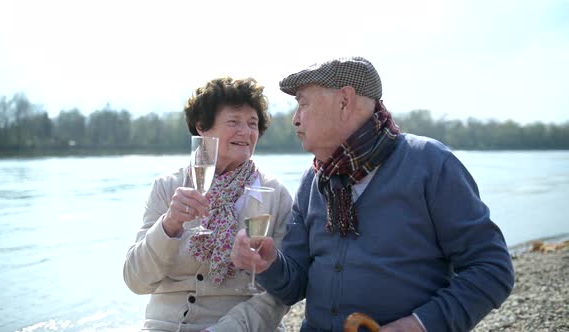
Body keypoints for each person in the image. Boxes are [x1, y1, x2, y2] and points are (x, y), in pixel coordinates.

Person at [231, 57, 515, 332]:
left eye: (303, 104)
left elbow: (492, 268)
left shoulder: (430, 164)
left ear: (344, 101)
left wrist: (421, 325)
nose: (295, 119)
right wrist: (269, 265)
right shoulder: (312, 180)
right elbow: (295, 285)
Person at [123, 77, 292, 331]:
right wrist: (168, 226)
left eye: (252, 124)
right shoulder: (167, 188)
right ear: (202, 127)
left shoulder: (275, 195)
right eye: (234, 122)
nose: (245, 132)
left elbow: (280, 292)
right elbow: (136, 281)